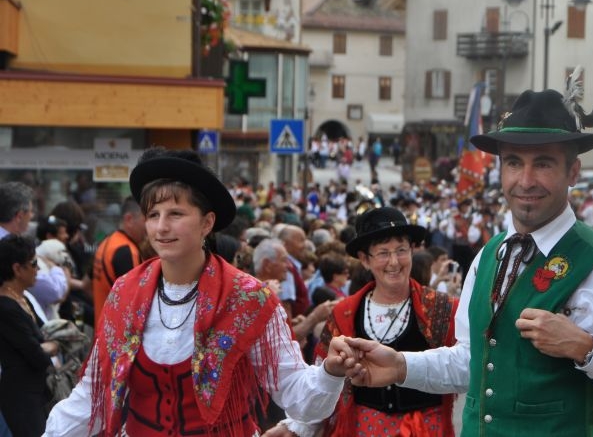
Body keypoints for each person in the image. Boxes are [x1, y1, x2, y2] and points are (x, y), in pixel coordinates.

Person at [340, 83, 593, 436]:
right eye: (513, 163)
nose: (525, 180)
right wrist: (401, 365)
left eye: (543, 163)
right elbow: (470, 361)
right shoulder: (488, 256)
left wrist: (587, 349)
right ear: (500, 169)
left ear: (573, 172)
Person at [44, 148, 357, 437]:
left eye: (175, 214)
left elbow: (294, 391)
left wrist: (329, 372)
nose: (161, 227)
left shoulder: (248, 298)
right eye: (153, 215)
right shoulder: (125, 292)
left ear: (207, 223)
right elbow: (92, 396)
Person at [273, 207, 459, 436]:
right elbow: (325, 379)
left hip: (427, 429)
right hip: (363, 428)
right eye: (382, 253)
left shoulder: (441, 308)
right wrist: (295, 427)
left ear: (412, 250)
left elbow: (468, 365)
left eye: (401, 250)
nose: (393, 262)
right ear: (364, 260)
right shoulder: (344, 313)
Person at [0, 234, 60, 437]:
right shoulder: (5, 307)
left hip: (38, 392)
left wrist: (47, 345)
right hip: (21, 398)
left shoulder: (22, 298)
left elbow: (45, 336)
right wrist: (51, 346)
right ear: (17, 269)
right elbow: (37, 353)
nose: (38, 269)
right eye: (33, 263)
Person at [92, 196, 146, 330]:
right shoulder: (126, 251)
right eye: (146, 219)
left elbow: (87, 284)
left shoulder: (108, 242)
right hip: (117, 334)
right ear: (129, 219)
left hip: (103, 329)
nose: (150, 225)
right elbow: (135, 302)